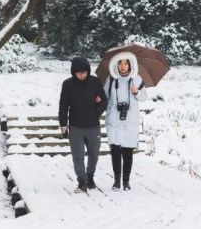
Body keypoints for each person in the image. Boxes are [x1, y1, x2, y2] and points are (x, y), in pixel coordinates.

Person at [58, 55, 108, 193]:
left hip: (93, 126)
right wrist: (63, 125)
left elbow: (104, 100)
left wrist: (96, 112)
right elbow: (63, 106)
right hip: (75, 127)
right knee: (78, 156)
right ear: (74, 72)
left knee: (94, 155)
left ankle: (90, 177)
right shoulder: (67, 84)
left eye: (84, 71)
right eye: (79, 72)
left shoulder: (95, 82)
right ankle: (82, 181)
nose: (82, 74)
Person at [105, 50, 146, 191]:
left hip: (130, 120)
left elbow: (144, 97)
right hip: (114, 119)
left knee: (128, 151)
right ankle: (116, 181)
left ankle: (126, 181)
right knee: (115, 150)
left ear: (130, 65)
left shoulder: (137, 79)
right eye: (120, 63)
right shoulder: (110, 79)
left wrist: (137, 92)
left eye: (125, 63)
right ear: (116, 65)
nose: (123, 66)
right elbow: (105, 97)